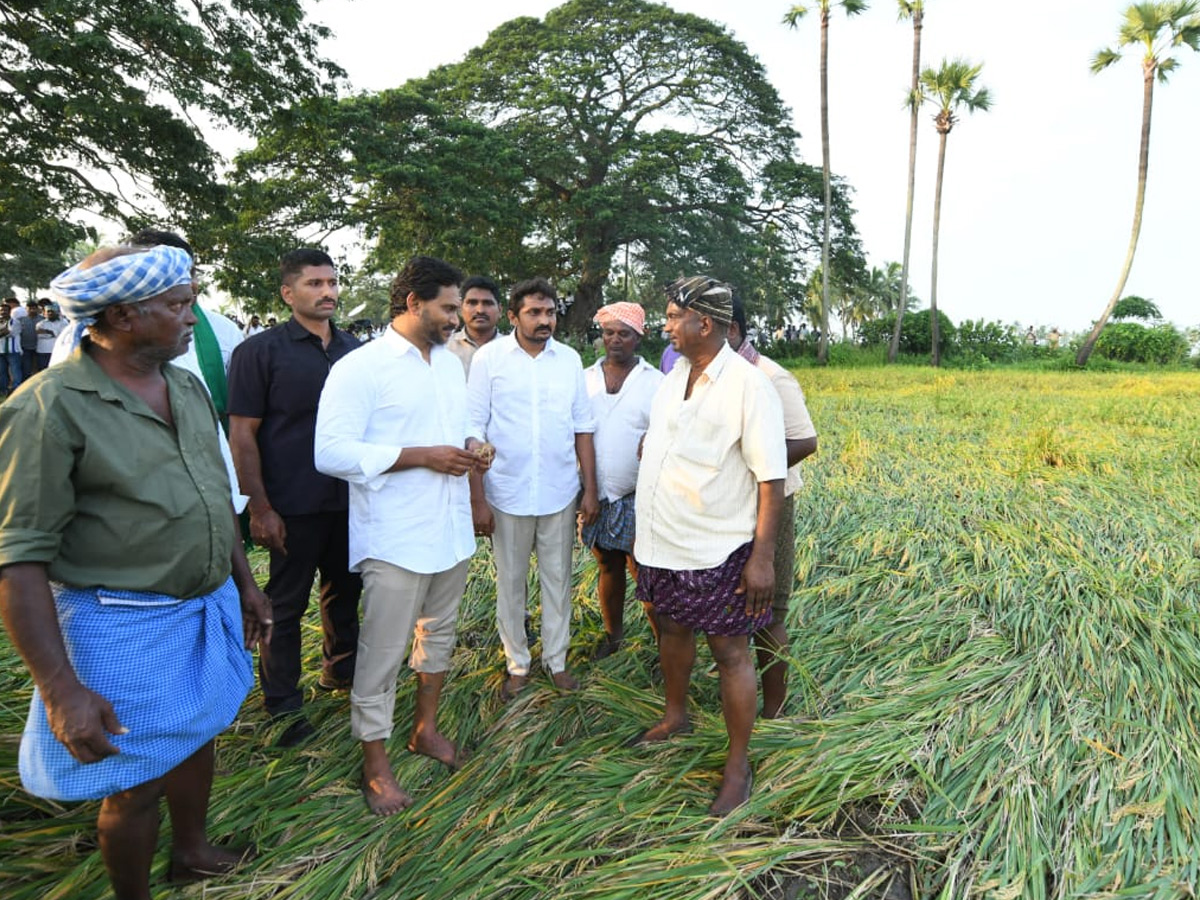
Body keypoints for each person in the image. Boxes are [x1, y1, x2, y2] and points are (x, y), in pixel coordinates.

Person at [0, 244, 272, 900]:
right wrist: (62, 690)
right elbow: (18, 558)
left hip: (204, 603)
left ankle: (192, 853)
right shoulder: (50, 407)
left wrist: (243, 583)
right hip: (122, 625)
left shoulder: (183, 385)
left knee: (199, 731)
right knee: (135, 780)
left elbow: (213, 491)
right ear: (123, 316)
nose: (193, 317)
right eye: (179, 305)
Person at [316, 256, 490, 816]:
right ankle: (375, 762)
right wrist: (420, 457)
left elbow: (458, 428)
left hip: (450, 531)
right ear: (413, 302)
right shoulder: (361, 367)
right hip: (395, 536)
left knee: (438, 637)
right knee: (383, 652)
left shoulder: (450, 365)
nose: (457, 319)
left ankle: (424, 730)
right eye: (447, 308)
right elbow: (330, 453)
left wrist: (472, 445)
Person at [632, 276, 786, 817]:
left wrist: (762, 559)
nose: (666, 326)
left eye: (674, 316)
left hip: (717, 548)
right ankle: (676, 716)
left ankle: (738, 764)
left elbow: (771, 479)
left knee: (729, 652)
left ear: (705, 323)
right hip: (662, 541)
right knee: (672, 629)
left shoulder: (749, 386)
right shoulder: (674, 376)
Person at [227, 248, 362, 747]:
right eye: (314, 284)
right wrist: (259, 507)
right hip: (290, 502)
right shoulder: (259, 352)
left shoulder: (355, 351)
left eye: (332, 282)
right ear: (288, 293)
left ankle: (341, 672)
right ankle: (283, 705)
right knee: (285, 605)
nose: (327, 292)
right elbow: (242, 435)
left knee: (345, 593)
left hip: (349, 498)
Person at [468, 277, 599, 699]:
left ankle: (556, 661)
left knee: (558, 580)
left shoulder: (569, 360)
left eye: (550, 312)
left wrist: (589, 489)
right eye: (534, 312)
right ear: (513, 316)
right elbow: (473, 427)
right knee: (511, 584)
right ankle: (518, 664)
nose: (545, 320)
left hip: (559, 491)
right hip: (507, 492)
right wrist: (478, 497)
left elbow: (582, 427)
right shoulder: (489, 359)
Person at [728, 297, 818, 718]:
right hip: (726, 506)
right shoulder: (713, 376)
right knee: (732, 602)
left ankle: (775, 710)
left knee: (768, 610)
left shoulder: (771, 376)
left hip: (770, 504)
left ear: (732, 329)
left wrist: (752, 469)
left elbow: (805, 441)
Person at [581, 301, 664, 657]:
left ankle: (664, 645)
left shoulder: (655, 382)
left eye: (624, 334)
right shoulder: (585, 379)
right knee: (607, 564)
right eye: (609, 333)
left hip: (639, 494)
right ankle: (613, 637)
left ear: (638, 338)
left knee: (644, 570)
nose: (615, 340)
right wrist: (587, 490)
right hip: (596, 493)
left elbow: (666, 431)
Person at [447, 274, 502, 375]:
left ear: (500, 310)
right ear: (460, 309)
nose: (480, 310)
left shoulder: (513, 350)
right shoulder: (444, 348)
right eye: (472, 303)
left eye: (487, 303)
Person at [1, 299, 24, 393]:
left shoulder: (15, 322)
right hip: (0, 351)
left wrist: (4, 331)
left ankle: (16, 390)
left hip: (13, 351)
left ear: (10, 311)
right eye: (1, 310)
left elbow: (9, 333)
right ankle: (3, 390)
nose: (3, 312)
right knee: (1, 372)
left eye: (5, 310)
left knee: (15, 372)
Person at [20, 300, 43, 376]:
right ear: (26, 309)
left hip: (39, 348)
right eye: (30, 308)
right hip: (25, 347)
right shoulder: (21, 320)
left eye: (34, 308)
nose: (32, 310)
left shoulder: (42, 319)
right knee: (26, 369)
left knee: (39, 368)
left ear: (37, 309)